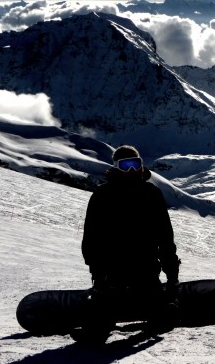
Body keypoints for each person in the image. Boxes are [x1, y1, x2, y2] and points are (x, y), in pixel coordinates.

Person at [72, 145, 181, 344]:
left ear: (141, 165)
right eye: (125, 166)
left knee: (156, 310)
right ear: (116, 167)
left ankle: (160, 311)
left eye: (135, 164)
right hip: (112, 269)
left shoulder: (151, 194)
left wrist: (172, 274)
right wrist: (97, 273)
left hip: (145, 267)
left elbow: (165, 236)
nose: (131, 170)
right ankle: (100, 319)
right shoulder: (103, 195)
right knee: (100, 323)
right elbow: (91, 237)